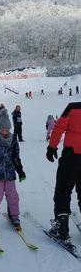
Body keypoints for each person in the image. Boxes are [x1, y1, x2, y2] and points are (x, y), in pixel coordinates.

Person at [46, 102, 81, 245]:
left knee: (63, 191)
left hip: (71, 157)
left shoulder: (73, 107)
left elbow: (59, 126)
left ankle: (62, 229)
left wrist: (52, 147)